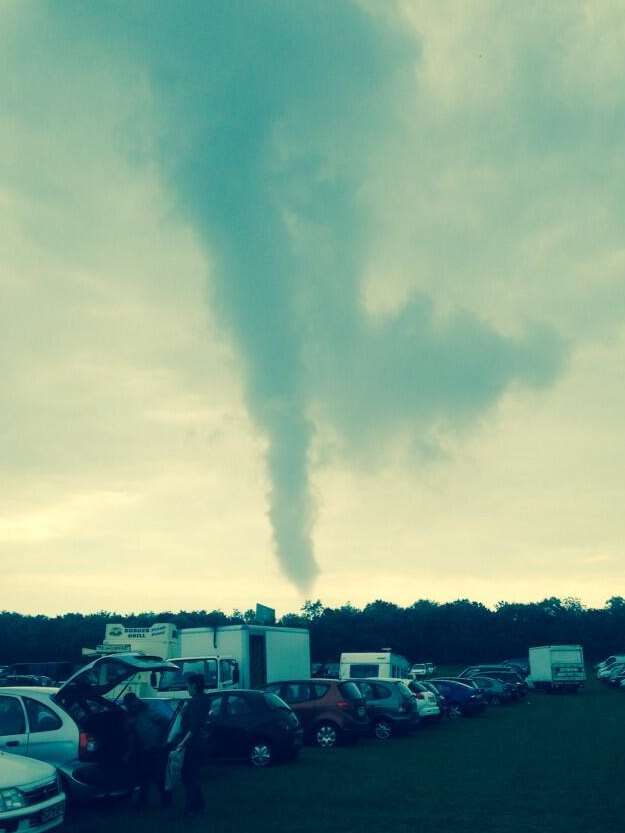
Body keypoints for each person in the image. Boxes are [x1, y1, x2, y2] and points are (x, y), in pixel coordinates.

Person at [122, 692, 172, 808]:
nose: (130, 707)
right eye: (128, 705)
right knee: (143, 777)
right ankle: (143, 802)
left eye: (131, 704)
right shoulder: (132, 715)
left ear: (135, 701)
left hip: (156, 749)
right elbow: (129, 733)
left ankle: (167, 801)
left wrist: (162, 740)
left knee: (159, 776)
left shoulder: (149, 712)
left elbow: (166, 723)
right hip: (143, 750)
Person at [175, 672, 212, 817]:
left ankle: (191, 809)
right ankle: (199, 806)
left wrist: (182, 744)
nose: (187, 688)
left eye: (188, 685)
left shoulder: (197, 702)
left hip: (193, 743)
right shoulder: (202, 699)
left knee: (189, 775)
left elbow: (194, 727)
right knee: (190, 775)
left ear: (195, 685)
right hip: (197, 743)